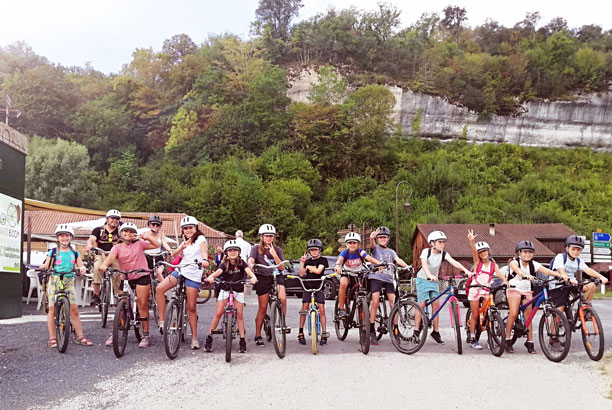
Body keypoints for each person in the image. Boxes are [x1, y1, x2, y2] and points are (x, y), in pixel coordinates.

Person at [99, 222, 160, 348]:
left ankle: (145, 334)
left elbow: (157, 244)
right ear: (121, 234)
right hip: (126, 277)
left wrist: (147, 237)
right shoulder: (117, 247)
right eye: (125, 232)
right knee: (121, 305)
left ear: (134, 234)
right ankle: (114, 331)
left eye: (131, 232)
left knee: (142, 304)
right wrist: (105, 264)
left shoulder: (139, 244)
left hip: (141, 275)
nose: (128, 234)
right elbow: (111, 257)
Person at [155, 216, 209, 350]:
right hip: (181, 270)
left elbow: (204, 251)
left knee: (191, 307)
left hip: (193, 273)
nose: (188, 230)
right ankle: (162, 321)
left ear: (196, 228)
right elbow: (173, 254)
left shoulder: (201, 239)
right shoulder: (185, 240)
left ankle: (194, 338)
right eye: (185, 228)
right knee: (160, 289)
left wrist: (205, 259)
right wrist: (181, 247)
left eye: (190, 228)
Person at [548, 235, 609, 349]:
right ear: (567, 248)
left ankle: (586, 309)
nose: (576, 252)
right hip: (557, 285)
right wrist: (565, 276)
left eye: (578, 250)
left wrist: (601, 277)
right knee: (559, 311)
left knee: (590, 286)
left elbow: (588, 270)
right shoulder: (561, 257)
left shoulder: (578, 260)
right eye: (573, 249)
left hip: (571, 283)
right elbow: (560, 270)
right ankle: (553, 338)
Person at [414, 231, 472, 344]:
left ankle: (435, 332)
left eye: (443, 242)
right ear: (432, 243)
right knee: (421, 304)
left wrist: (466, 271)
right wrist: (429, 275)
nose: (442, 244)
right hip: (423, 280)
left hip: (434, 281)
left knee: (436, 304)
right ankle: (416, 332)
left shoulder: (443, 254)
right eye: (440, 242)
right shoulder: (426, 252)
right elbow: (424, 265)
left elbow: (454, 262)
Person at [504, 240, 561, 354]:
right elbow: (517, 270)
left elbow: (547, 271)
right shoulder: (514, 263)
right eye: (525, 252)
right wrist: (524, 275)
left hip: (526, 290)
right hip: (514, 289)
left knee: (528, 315)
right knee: (514, 313)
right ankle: (507, 339)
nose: (527, 254)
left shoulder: (533, 264)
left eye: (530, 252)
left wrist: (559, 275)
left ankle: (530, 342)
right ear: (519, 253)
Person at [41, 224, 91, 347]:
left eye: (67, 235)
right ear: (57, 238)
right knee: (52, 310)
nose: (64, 238)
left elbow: (80, 265)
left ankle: (80, 336)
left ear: (71, 237)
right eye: (61, 236)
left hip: (69, 282)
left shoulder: (74, 252)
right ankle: (52, 338)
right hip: (55, 282)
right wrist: (43, 268)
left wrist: (82, 268)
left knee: (74, 310)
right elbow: (46, 265)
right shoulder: (53, 252)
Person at [204, 240, 257, 353]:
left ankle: (242, 340)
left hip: (238, 289)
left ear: (239, 252)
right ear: (226, 252)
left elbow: (248, 271)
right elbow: (218, 272)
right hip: (225, 289)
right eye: (230, 250)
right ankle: (209, 337)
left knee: (239, 315)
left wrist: (253, 277)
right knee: (218, 313)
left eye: (235, 250)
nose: (233, 252)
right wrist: (211, 277)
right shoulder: (224, 264)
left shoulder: (242, 263)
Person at [465, 229, 508, 350]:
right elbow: (473, 251)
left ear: (489, 252)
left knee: (487, 315)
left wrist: (505, 281)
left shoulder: (493, 265)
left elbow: (499, 274)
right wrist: (472, 241)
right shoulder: (477, 262)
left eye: (485, 251)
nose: (483, 253)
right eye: (481, 252)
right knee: (475, 314)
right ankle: (472, 337)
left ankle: (491, 338)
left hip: (486, 290)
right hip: (475, 289)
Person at [367, 226, 409, 346]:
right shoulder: (375, 249)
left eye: (384, 237)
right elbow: (372, 246)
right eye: (380, 237)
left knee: (394, 303)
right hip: (376, 277)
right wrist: (372, 239)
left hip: (389, 279)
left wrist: (407, 267)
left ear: (388, 238)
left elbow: (398, 260)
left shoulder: (391, 252)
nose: (382, 239)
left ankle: (395, 330)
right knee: (375, 301)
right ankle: (371, 329)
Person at [248, 224, 286, 347]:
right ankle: (258, 334)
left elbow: (281, 267)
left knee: (283, 298)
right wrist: (251, 265)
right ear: (261, 237)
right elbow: (251, 260)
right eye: (266, 236)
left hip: (276, 275)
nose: (269, 238)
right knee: (262, 307)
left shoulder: (278, 250)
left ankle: (282, 323)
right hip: (263, 276)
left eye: (271, 236)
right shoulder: (255, 249)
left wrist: (274, 254)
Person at [334, 232, 381, 319]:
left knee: (368, 286)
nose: (352, 245)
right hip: (347, 274)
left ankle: (367, 309)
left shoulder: (360, 252)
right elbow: (340, 260)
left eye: (354, 243)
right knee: (343, 283)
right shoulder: (345, 252)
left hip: (358, 275)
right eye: (350, 243)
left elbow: (369, 258)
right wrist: (337, 265)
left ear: (358, 244)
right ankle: (341, 309)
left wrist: (379, 264)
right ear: (347, 244)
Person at [86, 209, 122, 305]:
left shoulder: (121, 229)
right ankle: (96, 295)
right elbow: (92, 239)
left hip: (115, 256)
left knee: (118, 271)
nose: (115, 220)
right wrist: (89, 244)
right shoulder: (99, 229)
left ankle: (118, 295)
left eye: (117, 218)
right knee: (97, 267)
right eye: (112, 218)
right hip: (101, 253)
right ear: (107, 218)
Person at [297, 239, 329, 346]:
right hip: (308, 286)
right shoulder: (307, 261)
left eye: (316, 250)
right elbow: (301, 274)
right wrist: (302, 263)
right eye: (311, 250)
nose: (314, 252)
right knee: (304, 308)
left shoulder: (323, 260)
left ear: (320, 250)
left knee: (322, 309)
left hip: (319, 286)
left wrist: (308, 266)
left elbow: (318, 271)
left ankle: (324, 333)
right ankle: (300, 331)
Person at [143, 215, 172, 281]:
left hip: (158, 257)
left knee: (159, 272)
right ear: (149, 224)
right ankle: (150, 289)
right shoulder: (145, 234)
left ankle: (164, 289)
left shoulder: (161, 234)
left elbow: (165, 244)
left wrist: (170, 251)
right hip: (147, 257)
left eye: (158, 225)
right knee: (148, 274)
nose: (155, 226)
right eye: (153, 224)